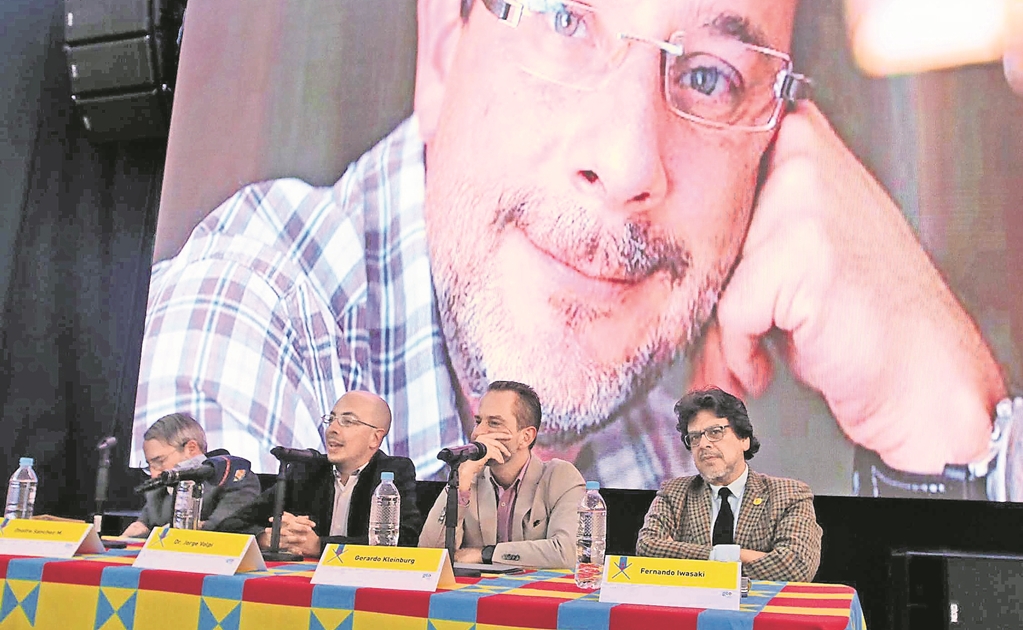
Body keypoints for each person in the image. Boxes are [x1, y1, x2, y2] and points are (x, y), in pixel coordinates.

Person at [132, 0, 1009, 494]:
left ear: (769, 143)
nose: (627, 162)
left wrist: (947, 428)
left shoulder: (653, 421)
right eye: (562, 17)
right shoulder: (246, 316)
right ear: (444, 45)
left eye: (707, 76)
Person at [636, 388, 822, 582]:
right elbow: (647, 549)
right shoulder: (673, 493)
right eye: (694, 437)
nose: (703, 444)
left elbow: (796, 566)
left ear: (744, 439)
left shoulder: (789, 494)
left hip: (760, 610)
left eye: (715, 432)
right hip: (692, 609)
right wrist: (734, 557)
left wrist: (686, 558)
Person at [217, 391, 422, 555]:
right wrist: (265, 537)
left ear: (375, 438)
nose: (332, 429)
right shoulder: (307, 470)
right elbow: (230, 526)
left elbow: (405, 540)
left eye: (347, 421)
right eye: (331, 419)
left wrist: (319, 546)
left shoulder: (392, 472)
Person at [419, 381, 585, 569]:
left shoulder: (559, 477)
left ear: (526, 437)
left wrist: (486, 554)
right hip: (475, 595)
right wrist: (460, 486)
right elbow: (429, 555)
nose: (479, 433)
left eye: (494, 423)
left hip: (534, 595)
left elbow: (568, 553)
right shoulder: (468, 476)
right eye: (478, 421)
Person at [121, 413, 261, 537]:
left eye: (160, 461)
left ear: (191, 448)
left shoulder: (235, 478)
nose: (153, 473)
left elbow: (222, 530)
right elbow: (141, 526)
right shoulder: (158, 490)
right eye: (149, 465)